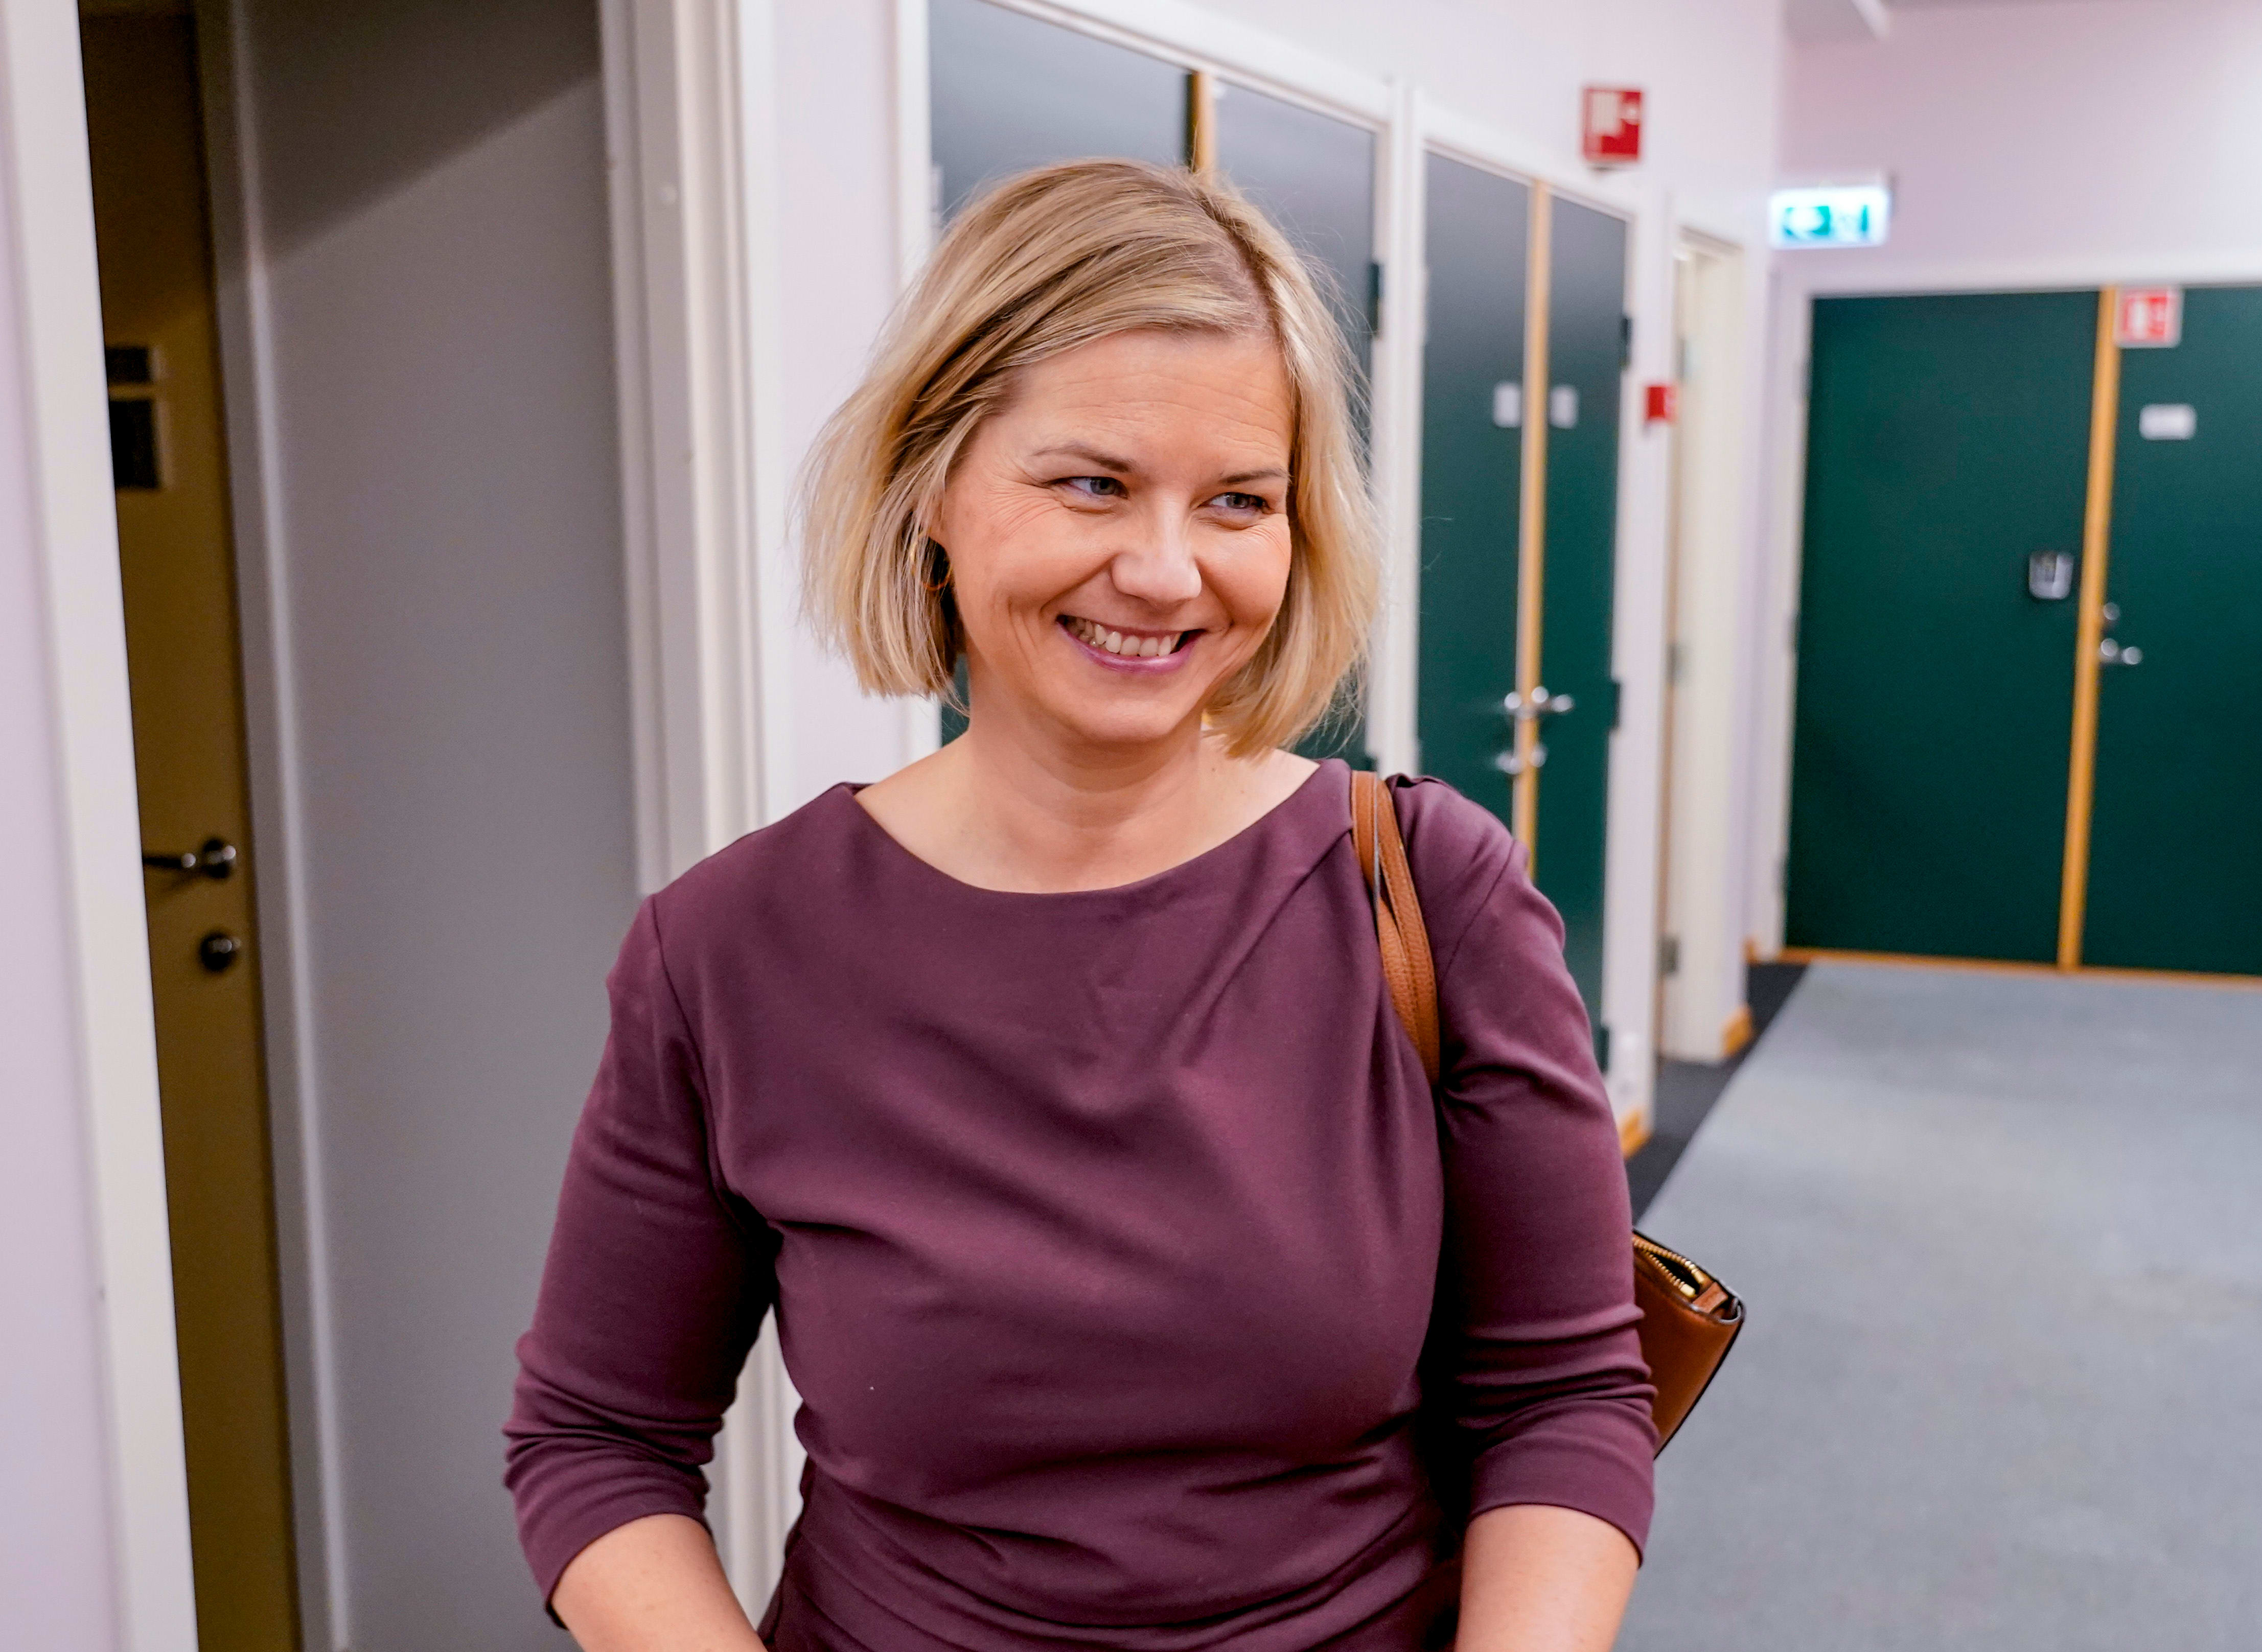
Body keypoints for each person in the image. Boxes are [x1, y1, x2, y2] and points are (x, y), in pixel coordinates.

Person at [504, 158, 1654, 1652]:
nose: (1165, 573)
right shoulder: (729, 948)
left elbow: (1563, 1400)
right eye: (1091, 483)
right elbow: (595, 1438)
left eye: (1237, 502)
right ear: (931, 485)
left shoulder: (1428, 893)